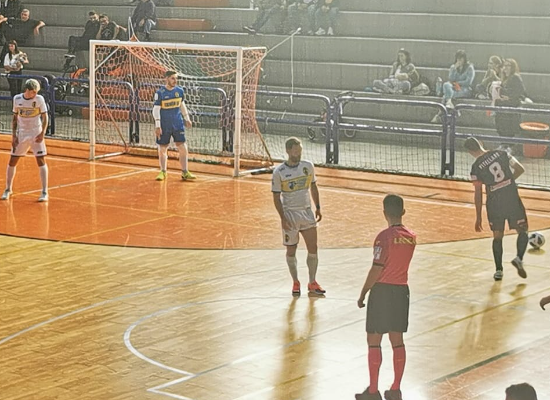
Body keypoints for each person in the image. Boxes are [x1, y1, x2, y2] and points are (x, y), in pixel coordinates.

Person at [356, 194, 416, 400]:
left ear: (384, 212)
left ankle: (373, 391)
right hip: (401, 291)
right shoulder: (411, 237)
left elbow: (377, 268)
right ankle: (395, 389)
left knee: (374, 340)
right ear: (403, 211)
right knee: (397, 340)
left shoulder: (383, 237)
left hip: (382, 291)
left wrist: (364, 292)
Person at [464, 137, 528, 281]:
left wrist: (478, 216)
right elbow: (520, 169)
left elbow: (478, 193)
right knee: (522, 230)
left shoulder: (476, 167)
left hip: (494, 203)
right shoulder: (502, 153)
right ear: (481, 143)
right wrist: (508, 181)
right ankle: (519, 258)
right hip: (511, 197)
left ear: (469, 152)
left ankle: (499, 270)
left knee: (497, 237)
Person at [272, 137, 325, 296]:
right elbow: (276, 197)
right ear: (288, 151)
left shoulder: (308, 166)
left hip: (306, 212)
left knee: (313, 248)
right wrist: (283, 218)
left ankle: (312, 282)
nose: (298, 154)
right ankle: (295, 282)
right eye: (295, 151)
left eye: (300, 151)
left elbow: (313, 187)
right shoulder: (279, 172)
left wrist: (318, 207)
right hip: (290, 214)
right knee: (291, 250)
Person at [1, 79, 49, 202]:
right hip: (22, 133)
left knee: (40, 160)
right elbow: (14, 118)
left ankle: (44, 191)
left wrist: (42, 133)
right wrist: (13, 136)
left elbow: (45, 117)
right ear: (27, 90)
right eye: (34, 92)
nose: (35, 94)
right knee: (13, 160)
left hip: (35, 132)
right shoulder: (17, 99)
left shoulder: (39, 99)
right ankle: (8, 189)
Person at [152, 70, 195, 181]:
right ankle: (163, 171)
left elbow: (182, 105)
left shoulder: (179, 91)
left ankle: (185, 172)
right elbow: (156, 110)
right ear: (166, 79)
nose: (175, 81)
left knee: (183, 147)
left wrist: (187, 119)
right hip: (164, 125)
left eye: (176, 78)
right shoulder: (160, 93)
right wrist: (157, 125)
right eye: (172, 78)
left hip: (177, 123)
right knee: (162, 148)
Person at [431, 50, 475, 123]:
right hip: (453, 88)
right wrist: (454, 69)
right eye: (458, 58)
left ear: (464, 59)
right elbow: (451, 79)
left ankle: (439, 114)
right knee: (446, 84)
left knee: (445, 96)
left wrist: (457, 83)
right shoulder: (453, 67)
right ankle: (450, 104)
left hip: (464, 89)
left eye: (461, 58)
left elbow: (468, 82)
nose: (459, 60)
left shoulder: (470, 68)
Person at [493, 59, 527, 152]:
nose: (506, 68)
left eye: (508, 65)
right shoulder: (503, 78)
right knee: (501, 126)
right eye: (505, 65)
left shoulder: (515, 77)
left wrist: (509, 96)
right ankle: (503, 144)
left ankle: (508, 146)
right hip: (502, 106)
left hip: (511, 106)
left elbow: (521, 91)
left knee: (508, 127)